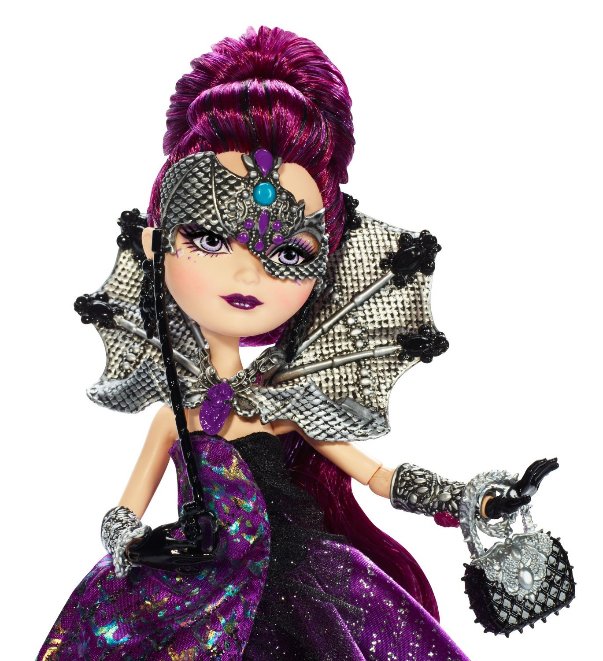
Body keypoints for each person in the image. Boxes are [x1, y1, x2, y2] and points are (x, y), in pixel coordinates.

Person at [37, 26, 558, 660]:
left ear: (326, 265)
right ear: (154, 245)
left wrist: (466, 498)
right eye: (209, 238)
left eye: (288, 252)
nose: (247, 272)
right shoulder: (173, 415)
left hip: (300, 588)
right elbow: (125, 510)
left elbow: (376, 474)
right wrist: (131, 541)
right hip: (193, 587)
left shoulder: (288, 402)